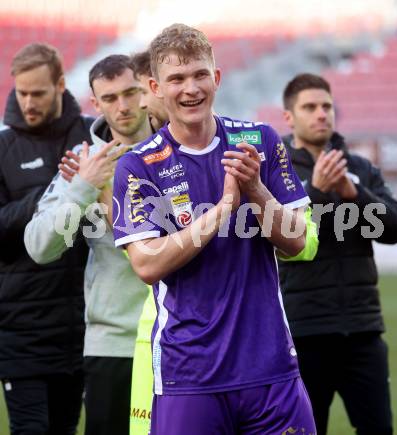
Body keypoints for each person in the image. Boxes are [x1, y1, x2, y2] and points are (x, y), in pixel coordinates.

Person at [112, 23, 316, 435]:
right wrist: (222, 210)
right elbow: (147, 264)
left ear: (216, 77)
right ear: (156, 86)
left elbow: (297, 241)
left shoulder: (258, 140)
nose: (191, 89)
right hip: (189, 374)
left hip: (270, 368)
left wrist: (256, 189)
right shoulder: (138, 165)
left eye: (200, 74)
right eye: (177, 79)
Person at [24, 54, 162, 435]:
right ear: (95, 103)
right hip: (113, 344)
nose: (123, 106)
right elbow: (39, 245)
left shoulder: (179, 154)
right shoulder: (86, 164)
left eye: (131, 92)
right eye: (110, 97)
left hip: (182, 338)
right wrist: (85, 187)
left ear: (148, 91)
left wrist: (108, 197)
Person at [279, 73, 397, 435]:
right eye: (310, 107)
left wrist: (355, 194)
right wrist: (317, 191)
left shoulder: (361, 168)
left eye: (326, 106)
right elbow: (278, 232)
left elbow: (395, 228)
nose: (321, 114)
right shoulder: (278, 170)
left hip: (362, 332)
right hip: (303, 333)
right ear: (289, 117)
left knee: (379, 429)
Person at [0, 43, 93, 435]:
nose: (28, 102)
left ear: (60, 85)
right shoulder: (2, 147)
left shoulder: (91, 134)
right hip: (22, 328)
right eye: (22, 93)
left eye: (38, 93)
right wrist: (49, 198)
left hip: (81, 326)